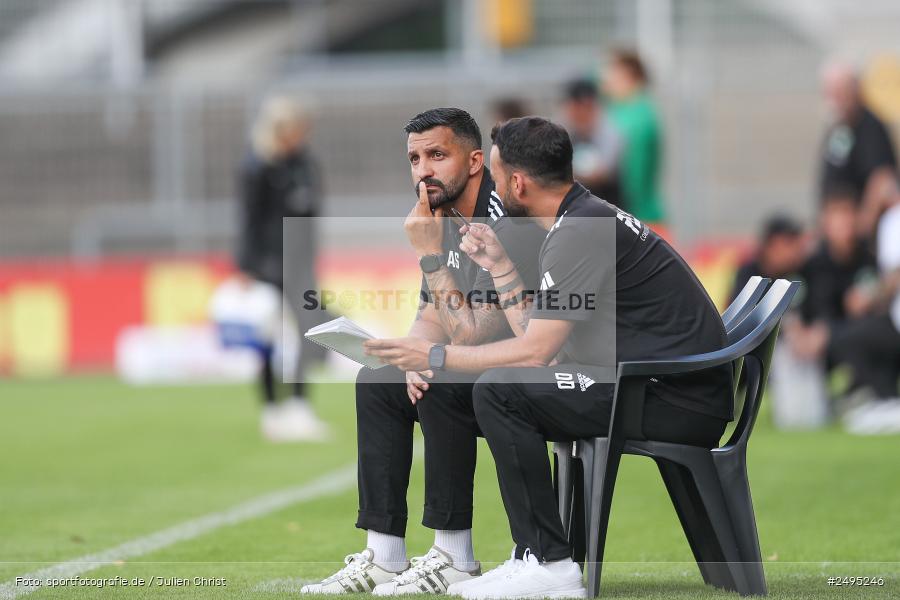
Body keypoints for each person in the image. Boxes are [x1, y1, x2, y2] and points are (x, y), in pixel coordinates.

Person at [366, 117, 733, 599]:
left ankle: (553, 565)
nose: (494, 190)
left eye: (496, 177)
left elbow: (535, 353)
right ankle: (518, 556)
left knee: (502, 389)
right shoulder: (577, 219)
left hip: (671, 397)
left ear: (517, 182)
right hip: (652, 385)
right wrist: (500, 267)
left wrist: (434, 352)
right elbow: (543, 339)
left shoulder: (578, 230)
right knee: (483, 386)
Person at [300, 108, 545, 594]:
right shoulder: (442, 212)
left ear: (475, 161)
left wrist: (430, 257)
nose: (422, 170)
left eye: (437, 155)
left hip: (532, 376)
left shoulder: (506, 221)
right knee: (378, 380)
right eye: (414, 158)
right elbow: (433, 315)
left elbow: (475, 333)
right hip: (482, 368)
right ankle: (384, 555)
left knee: (438, 377)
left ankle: (455, 554)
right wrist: (413, 351)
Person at [235, 95, 330, 442]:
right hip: (267, 265)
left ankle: (300, 406)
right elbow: (248, 219)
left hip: (300, 262)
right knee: (267, 338)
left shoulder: (305, 163)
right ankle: (271, 409)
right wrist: (245, 265)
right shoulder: (257, 166)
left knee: (308, 331)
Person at [831, 182, 900, 434]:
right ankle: (885, 395)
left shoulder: (894, 219)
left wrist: (869, 298)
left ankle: (877, 399)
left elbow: (894, 275)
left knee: (849, 338)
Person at [818, 60, 898, 236]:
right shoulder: (839, 127)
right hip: (836, 230)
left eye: (840, 91)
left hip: (858, 233)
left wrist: (863, 223)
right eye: (831, 91)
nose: (835, 98)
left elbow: (882, 177)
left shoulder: (870, 126)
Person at [603, 48, 666, 229]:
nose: (605, 79)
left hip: (640, 218)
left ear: (627, 74)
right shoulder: (619, 110)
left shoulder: (636, 117)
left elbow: (634, 174)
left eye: (611, 72)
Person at [561, 78, 622, 207]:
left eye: (587, 107)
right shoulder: (563, 131)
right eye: (577, 107)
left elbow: (602, 173)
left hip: (607, 206)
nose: (582, 113)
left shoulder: (607, 131)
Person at [730, 214, 806, 304]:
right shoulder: (750, 276)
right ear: (768, 245)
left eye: (797, 243)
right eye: (788, 243)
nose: (794, 250)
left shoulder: (805, 272)